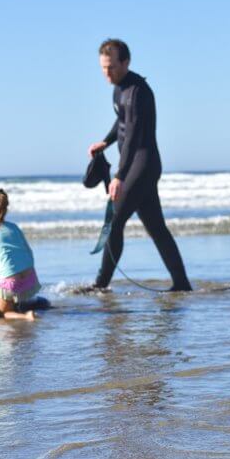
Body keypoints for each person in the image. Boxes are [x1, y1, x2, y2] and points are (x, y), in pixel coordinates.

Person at [86, 38, 191, 292]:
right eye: (102, 67)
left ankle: (101, 284)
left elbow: (132, 135)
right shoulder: (118, 88)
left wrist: (120, 175)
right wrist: (106, 141)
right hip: (138, 166)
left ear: (126, 62)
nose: (106, 73)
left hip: (141, 165)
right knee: (156, 227)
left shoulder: (137, 90)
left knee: (115, 221)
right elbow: (121, 121)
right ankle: (181, 283)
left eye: (110, 67)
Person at [0, 188, 41, 320]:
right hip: (31, 278)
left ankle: (26, 317)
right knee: (11, 294)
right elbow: (28, 251)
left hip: (11, 283)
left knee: (3, 312)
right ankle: (20, 302)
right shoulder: (14, 227)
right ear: (4, 210)